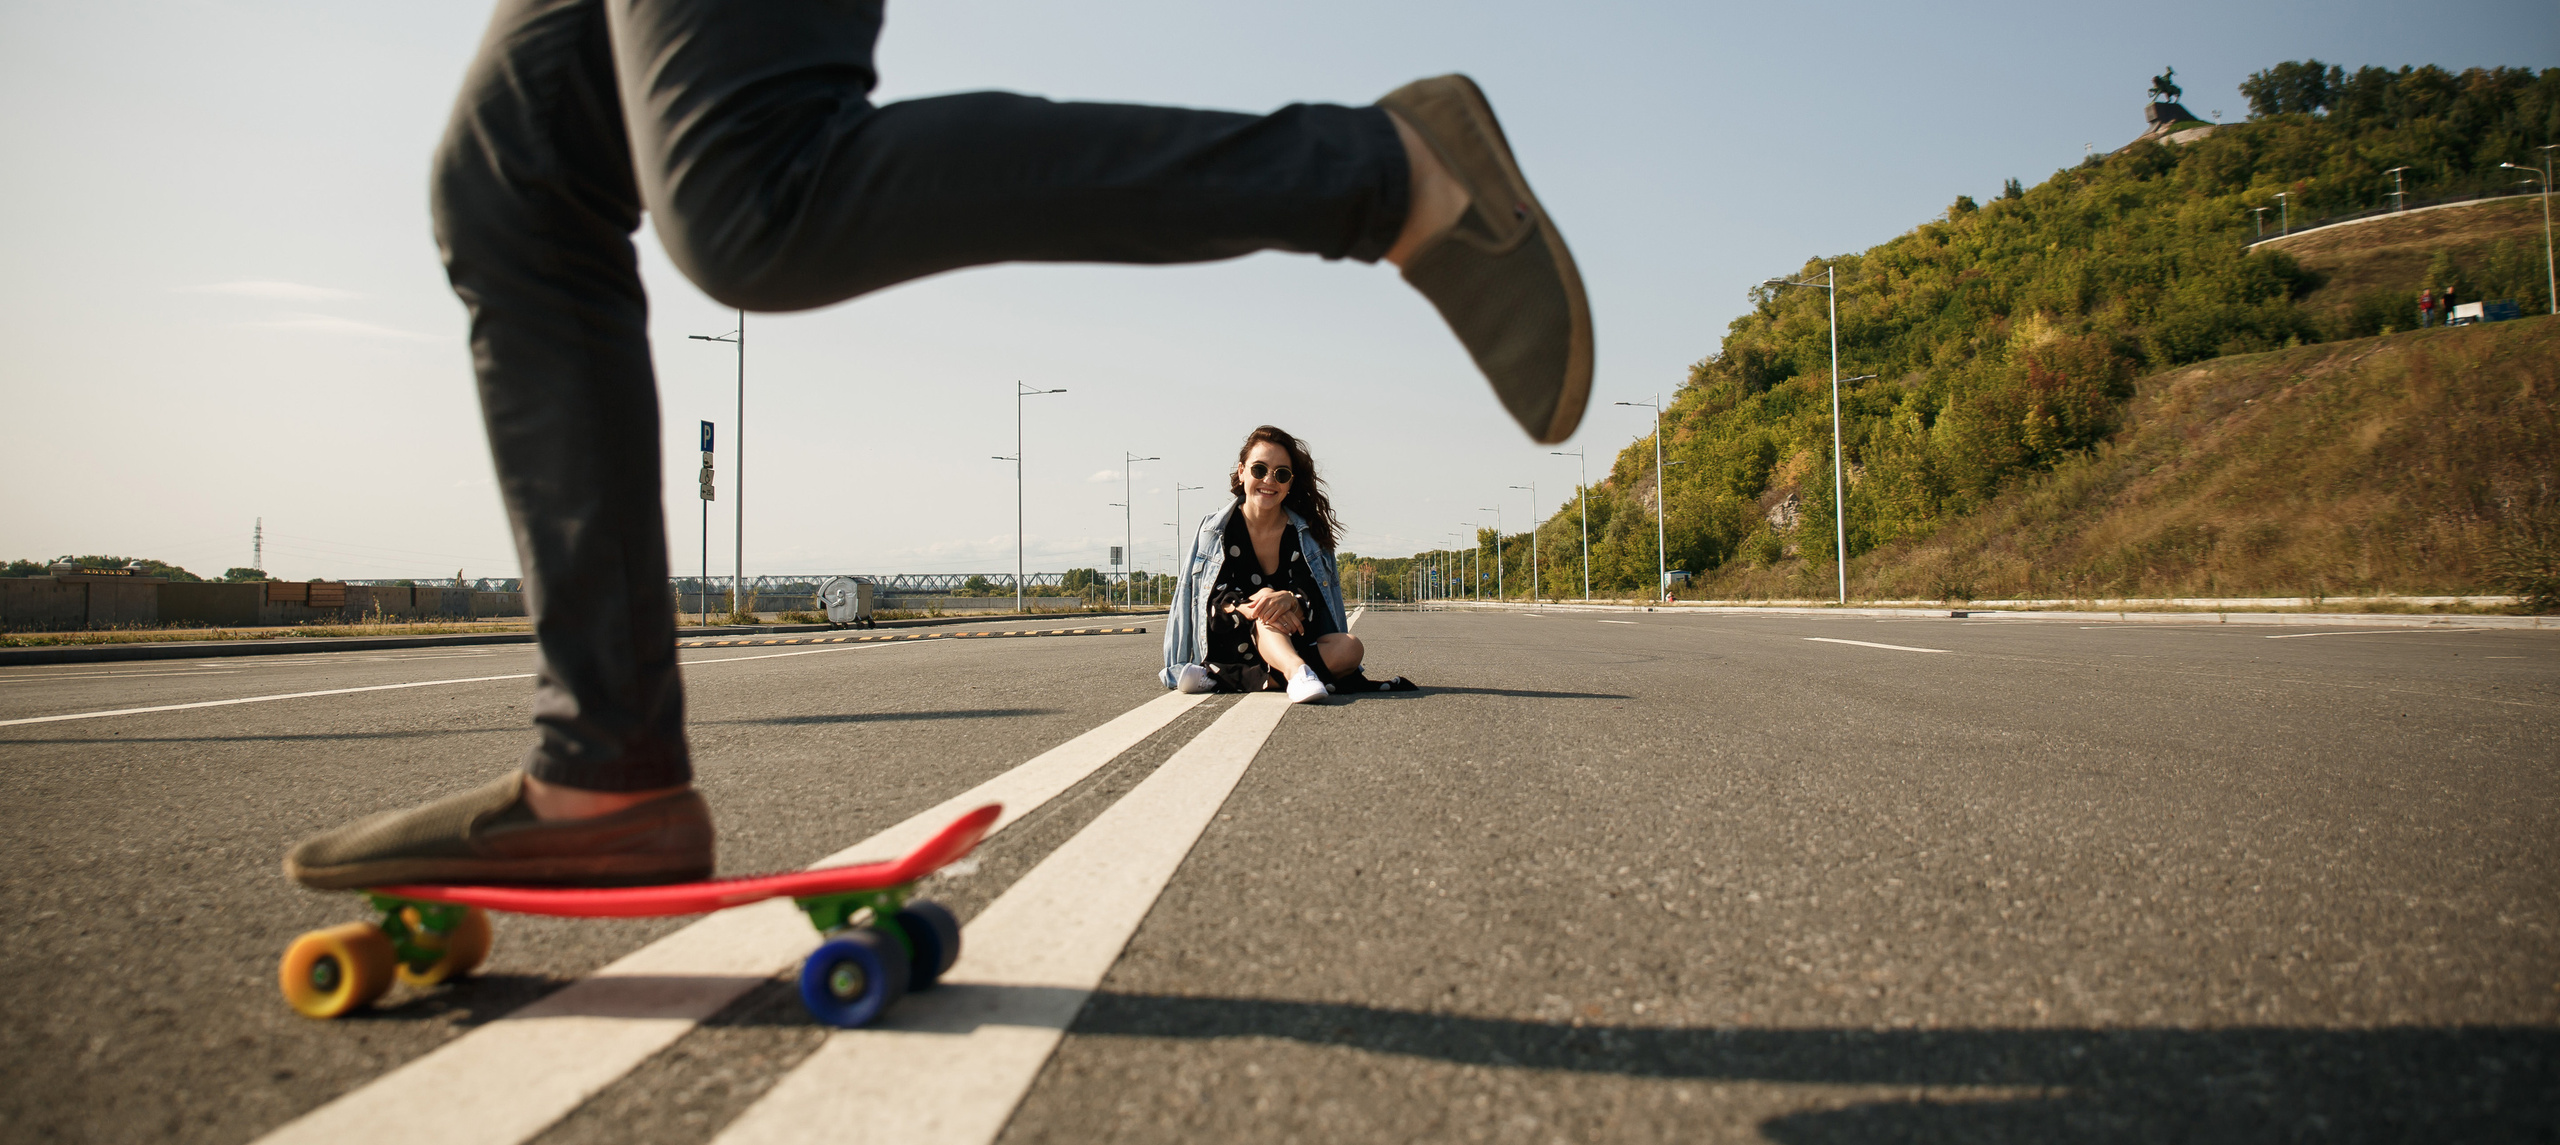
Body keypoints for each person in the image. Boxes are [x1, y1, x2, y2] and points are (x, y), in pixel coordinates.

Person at [283, 0, 1587, 890]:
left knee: (748, 199)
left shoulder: (1294, 528)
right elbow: (1198, 608)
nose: (1262, 484)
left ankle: (1387, 172)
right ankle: (605, 767)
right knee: (510, 186)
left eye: (1272, 471)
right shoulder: (1223, 531)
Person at [1160, 426, 1400, 704]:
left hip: (1295, 638)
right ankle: (1296, 673)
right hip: (1233, 639)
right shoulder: (1215, 531)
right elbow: (1207, 601)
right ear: (1242, 472)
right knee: (1266, 614)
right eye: (1259, 469)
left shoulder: (1308, 535)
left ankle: (1223, 678)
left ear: (1290, 483)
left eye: (1281, 474)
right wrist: (1251, 607)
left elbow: (1313, 599)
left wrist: (1289, 600)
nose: (1269, 480)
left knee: (1350, 648)